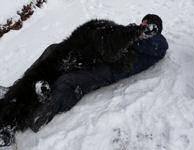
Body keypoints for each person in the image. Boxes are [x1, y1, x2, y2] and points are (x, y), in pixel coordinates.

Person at [0, 14, 168, 146]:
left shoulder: (158, 42)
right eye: (142, 22)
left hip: (110, 71)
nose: (142, 25)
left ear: (154, 27)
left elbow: (153, 46)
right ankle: (16, 91)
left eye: (146, 23)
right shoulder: (133, 33)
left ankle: (40, 114)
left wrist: (138, 34)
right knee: (53, 51)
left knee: (69, 80)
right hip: (99, 58)